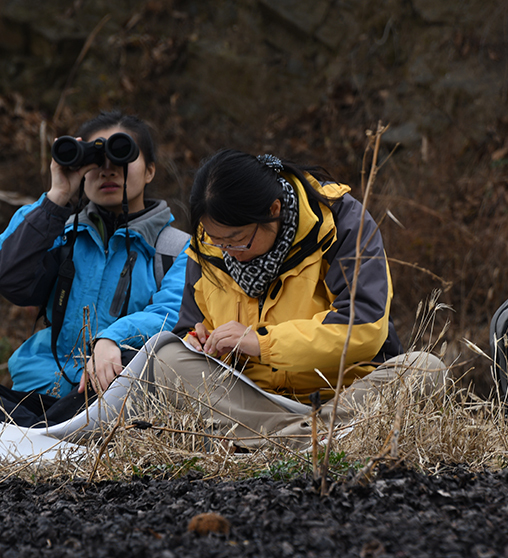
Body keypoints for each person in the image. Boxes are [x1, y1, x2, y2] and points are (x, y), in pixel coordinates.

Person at [94, 149, 448, 449]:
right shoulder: (207, 244)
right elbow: (190, 327)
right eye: (217, 241)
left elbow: (365, 327)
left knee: (424, 368)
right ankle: (312, 440)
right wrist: (200, 343)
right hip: (251, 401)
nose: (228, 252)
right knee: (167, 356)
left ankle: (275, 441)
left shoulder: (341, 221)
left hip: (345, 393)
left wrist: (261, 343)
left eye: (238, 240)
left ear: (275, 210)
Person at [0, 110, 189, 453]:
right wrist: (57, 197)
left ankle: (20, 446)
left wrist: (110, 339)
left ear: (150, 171)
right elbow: (1, 274)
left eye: (122, 155)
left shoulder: (177, 248)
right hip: (37, 398)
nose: (108, 169)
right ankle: (52, 447)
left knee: (136, 366)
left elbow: (175, 313)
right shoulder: (59, 232)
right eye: (96, 158)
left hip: (108, 395)